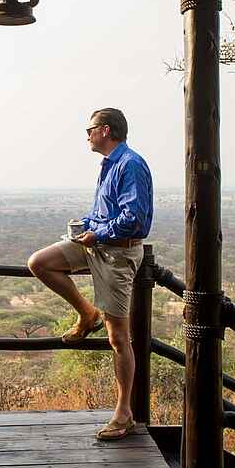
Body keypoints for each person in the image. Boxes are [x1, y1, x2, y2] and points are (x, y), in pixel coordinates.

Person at [27, 108, 153, 441]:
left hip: (117, 253)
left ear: (106, 130)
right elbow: (107, 212)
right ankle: (87, 313)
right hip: (96, 244)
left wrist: (98, 233)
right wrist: (87, 225)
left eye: (90, 129)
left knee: (118, 338)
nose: (87, 135)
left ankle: (124, 414)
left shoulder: (130, 165)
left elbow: (134, 218)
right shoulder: (110, 164)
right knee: (40, 262)